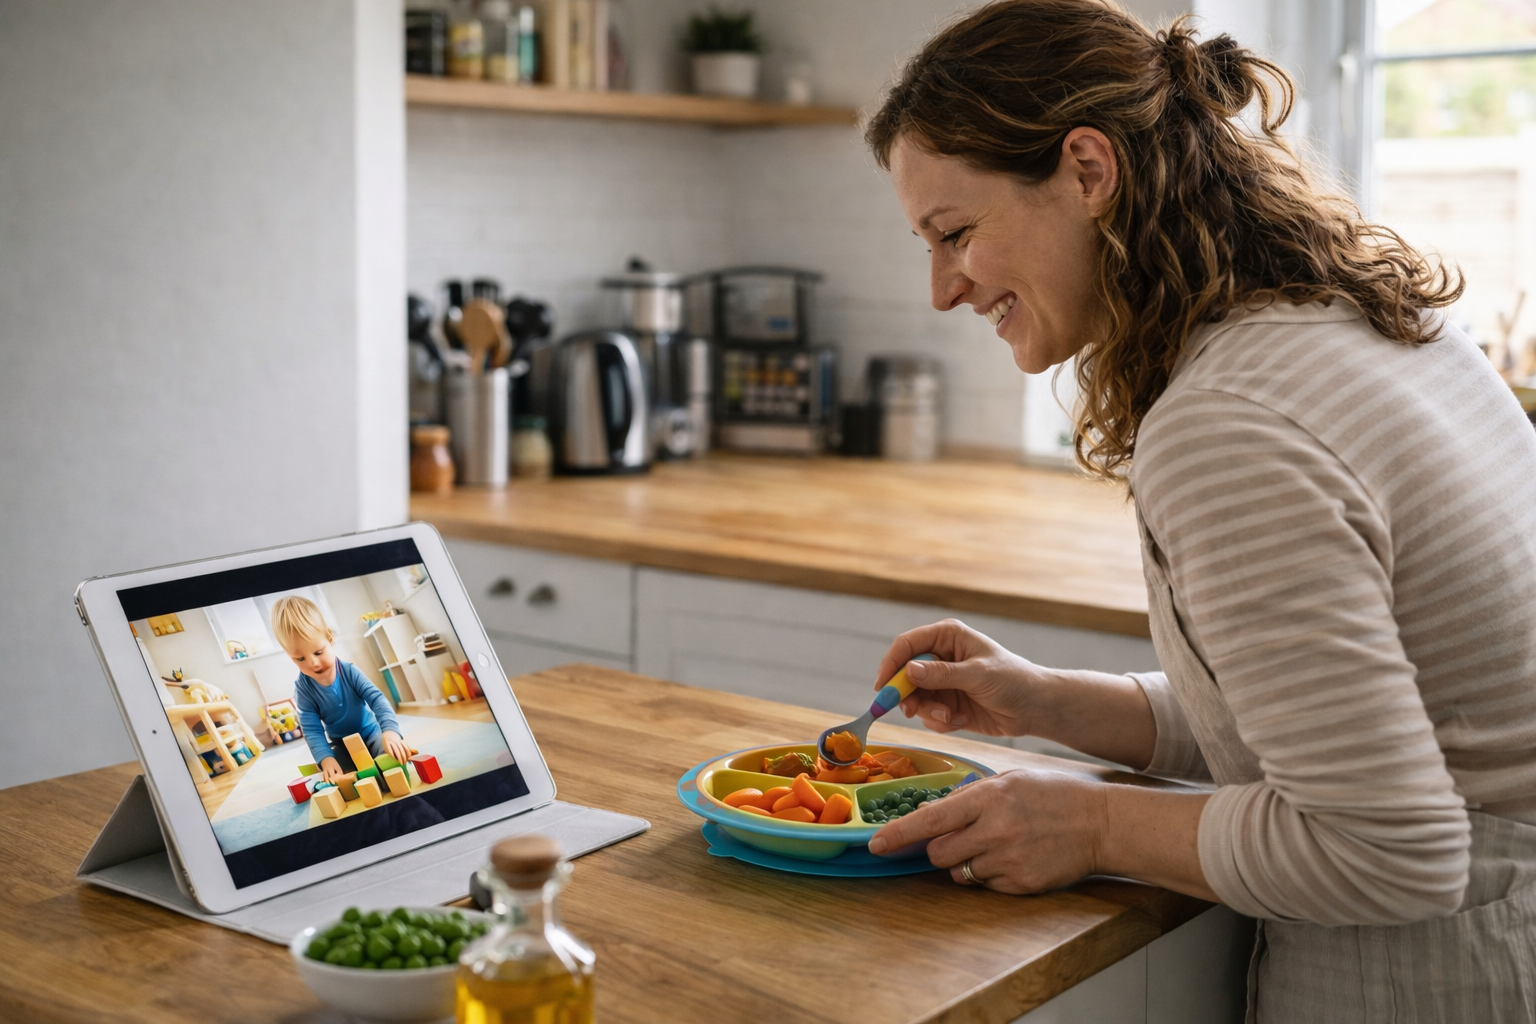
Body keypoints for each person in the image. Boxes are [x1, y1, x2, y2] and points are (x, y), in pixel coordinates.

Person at [859, 1, 1536, 1019]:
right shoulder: (1367, 319)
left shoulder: (1229, 419)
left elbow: (1390, 851)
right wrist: (1053, 701)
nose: (942, 288)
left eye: (954, 233)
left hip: (1435, 976)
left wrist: (1086, 825)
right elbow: (1337, 720)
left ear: (1088, 171)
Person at [271, 595, 412, 784]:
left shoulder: (349, 671)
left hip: (371, 732)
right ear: (290, 657)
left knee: (392, 758)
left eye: (318, 652)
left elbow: (377, 700)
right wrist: (326, 760)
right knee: (338, 775)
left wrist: (390, 731)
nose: (312, 663)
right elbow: (312, 730)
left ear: (330, 639)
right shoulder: (303, 689)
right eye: (300, 659)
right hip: (341, 744)